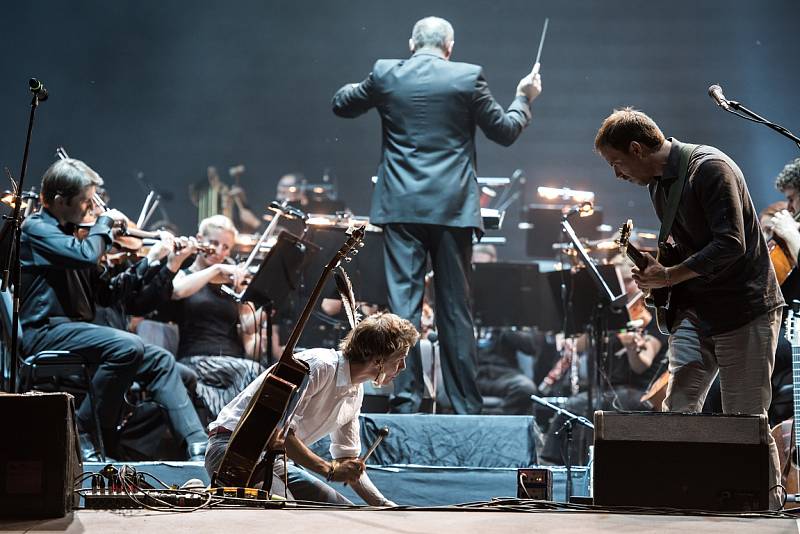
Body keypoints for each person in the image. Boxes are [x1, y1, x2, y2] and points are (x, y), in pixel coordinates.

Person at [332, 16, 542, 414]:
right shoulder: (467, 77)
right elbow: (505, 131)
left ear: (412, 43)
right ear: (450, 46)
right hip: (452, 208)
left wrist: (373, 84)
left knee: (402, 309)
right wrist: (524, 96)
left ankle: (406, 401)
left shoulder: (386, 73)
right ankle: (466, 408)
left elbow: (342, 104)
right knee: (455, 311)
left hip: (402, 208)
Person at [594, 107, 784, 508]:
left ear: (636, 148)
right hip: (697, 314)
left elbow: (731, 244)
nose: (617, 175)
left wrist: (669, 276)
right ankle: (682, 501)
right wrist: (657, 266)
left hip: (744, 312)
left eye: (617, 163)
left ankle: (766, 510)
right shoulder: (659, 184)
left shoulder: (710, 169)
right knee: (677, 411)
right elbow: (688, 247)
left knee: (745, 423)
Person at [19, 158, 207, 460]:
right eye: (84, 202)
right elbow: (84, 255)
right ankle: (80, 431)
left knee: (159, 359)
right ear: (58, 200)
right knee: (128, 346)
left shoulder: (71, 237)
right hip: (46, 331)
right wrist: (104, 225)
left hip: (75, 332)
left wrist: (149, 262)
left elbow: (109, 294)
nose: (91, 210)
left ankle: (199, 447)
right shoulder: (37, 229)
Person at [205, 312, 419, 505]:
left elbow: (347, 462)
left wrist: (383, 504)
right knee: (283, 511)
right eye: (399, 360)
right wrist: (329, 470)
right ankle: (203, 492)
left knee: (344, 513)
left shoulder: (355, 391)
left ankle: (203, 491)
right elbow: (280, 434)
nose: (403, 368)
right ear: (378, 360)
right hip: (233, 450)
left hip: (273, 460)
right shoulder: (319, 365)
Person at [168, 214, 267, 421]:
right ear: (199, 239)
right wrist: (216, 269)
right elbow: (177, 291)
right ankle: (230, 429)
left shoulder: (230, 284)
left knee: (260, 375)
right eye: (214, 243)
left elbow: (248, 326)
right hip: (197, 358)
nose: (220, 251)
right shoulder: (184, 274)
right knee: (252, 372)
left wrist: (265, 308)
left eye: (226, 247)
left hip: (232, 362)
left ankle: (226, 430)